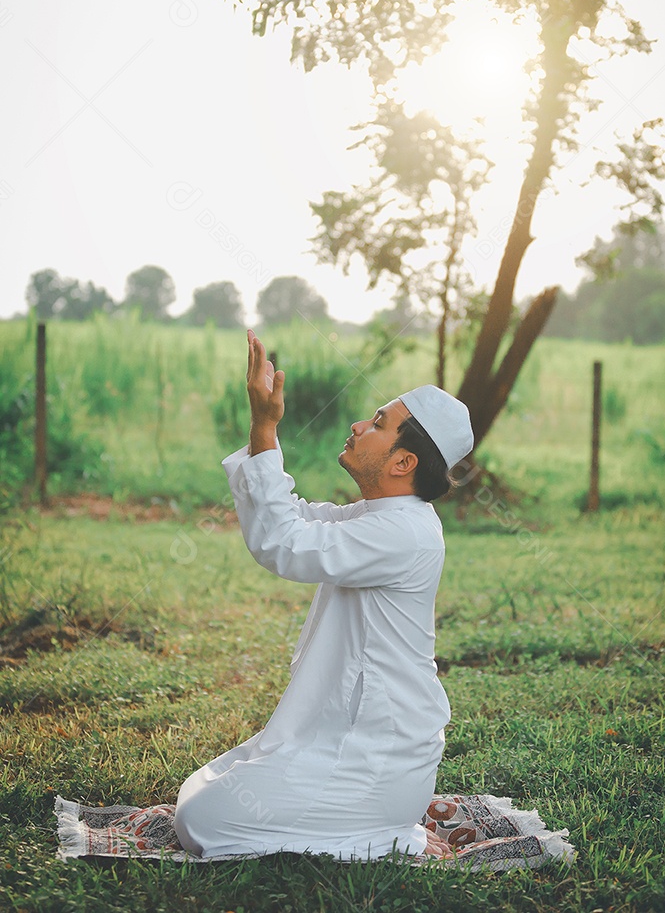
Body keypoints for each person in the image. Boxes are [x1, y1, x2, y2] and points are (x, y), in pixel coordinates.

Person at [173, 328, 474, 862]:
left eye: (379, 423)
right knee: (203, 788)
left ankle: (386, 836)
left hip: (375, 759)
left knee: (201, 820)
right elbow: (296, 521)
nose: (359, 424)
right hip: (346, 743)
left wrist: (266, 427)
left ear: (404, 462)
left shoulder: (402, 532)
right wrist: (260, 432)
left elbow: (284, 543)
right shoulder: (381, 518)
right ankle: (366, 826)